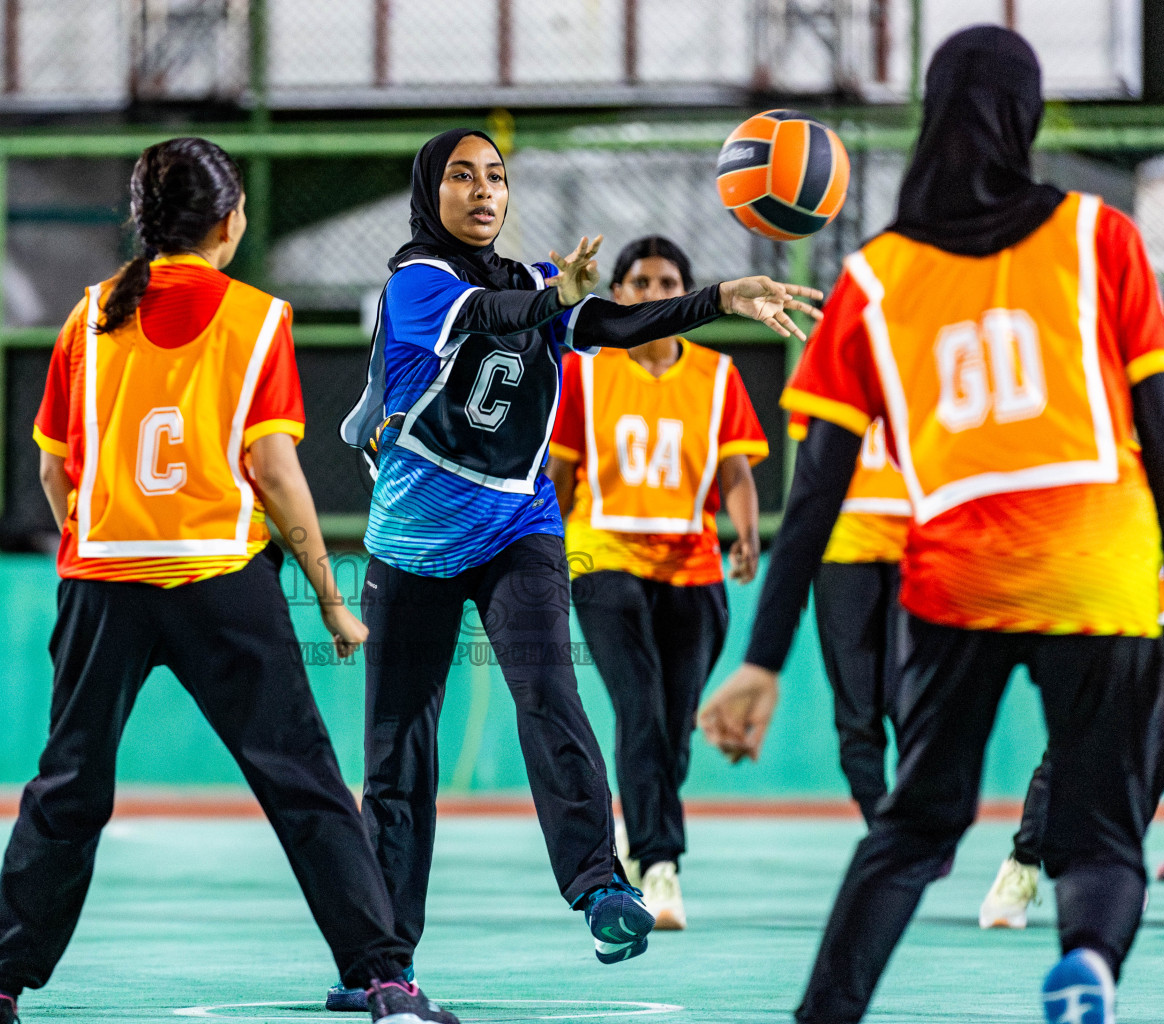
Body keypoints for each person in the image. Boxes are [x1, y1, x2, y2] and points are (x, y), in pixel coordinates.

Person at [696, 27, 1164, 1024]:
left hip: (957, 575)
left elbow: (814, 497)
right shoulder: (1101, 239)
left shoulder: (874, 280)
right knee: (1105, 831)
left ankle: (825, 1013)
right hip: (1097, 566)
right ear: (1026, 117)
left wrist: (761, 656)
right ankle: (1089, 968)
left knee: (914, 828)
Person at [0, 137, 458, 1024]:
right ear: (230, 222)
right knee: (303, 781)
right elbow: (276, 472)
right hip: (218, 579)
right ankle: (386, 980)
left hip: (103, 580)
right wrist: (333, 599)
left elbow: (53, 474)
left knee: (69, 785)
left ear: (145, 221)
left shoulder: (88, 318)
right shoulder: (256, 320)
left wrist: (99, 527)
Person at [337, 128, 820, 992]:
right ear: (430, 190)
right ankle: (384, 956)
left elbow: (618, 320)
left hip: (516, 527)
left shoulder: (534, 283)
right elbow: (491, 317)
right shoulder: (415, 280)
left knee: (549, 691)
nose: (484, 192)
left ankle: (601, 884)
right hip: (412, 541)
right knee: (397, 754)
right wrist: (557, 294)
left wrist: (723, 295)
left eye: (495, 177)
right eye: (462, 177)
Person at [980, 226, 1164, 923]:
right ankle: (1024, 862)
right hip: (1123, 585)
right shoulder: (1112, 386)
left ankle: (1109, 877)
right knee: (1087, 744)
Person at [542, 235, 769, 930]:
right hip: (604, 556)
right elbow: (559, 473)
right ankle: (661, 863)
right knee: (639, 707)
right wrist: (541, 548)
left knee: (671, 727)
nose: (652, 291)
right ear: (619, 294)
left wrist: (746, 534)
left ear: (688, 292)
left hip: (692, 564)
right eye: (638, 282)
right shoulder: (588, 372)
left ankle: (641, 826)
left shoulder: (717, 376)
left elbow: (734, 470)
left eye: (668, 279)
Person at [801, 414, 910, 827]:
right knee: (856, 711)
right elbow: (810, 464)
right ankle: (884, 830)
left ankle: (909, 829)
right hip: (843, 549)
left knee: (913, 704)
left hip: (917, 548)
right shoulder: (827, 365)